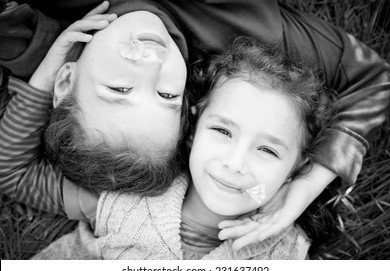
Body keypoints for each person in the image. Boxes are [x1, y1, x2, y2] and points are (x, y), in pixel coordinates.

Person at [0, 0, 389, 249]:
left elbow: (11, 173)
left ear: (67, 81)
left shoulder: (24, 37)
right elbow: (376, 79)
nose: (152, 64)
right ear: (192, 115)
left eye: (119, 89)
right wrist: (307, 185)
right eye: (167, 97)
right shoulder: (251, 34)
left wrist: (46, 71)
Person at [33, 37, 333, 259]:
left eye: (268, 150)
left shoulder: (286, 254)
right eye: (222, 130)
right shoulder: (125, 199)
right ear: (191, 131)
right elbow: (13, 176)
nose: (235, 162)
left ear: (297, 168)